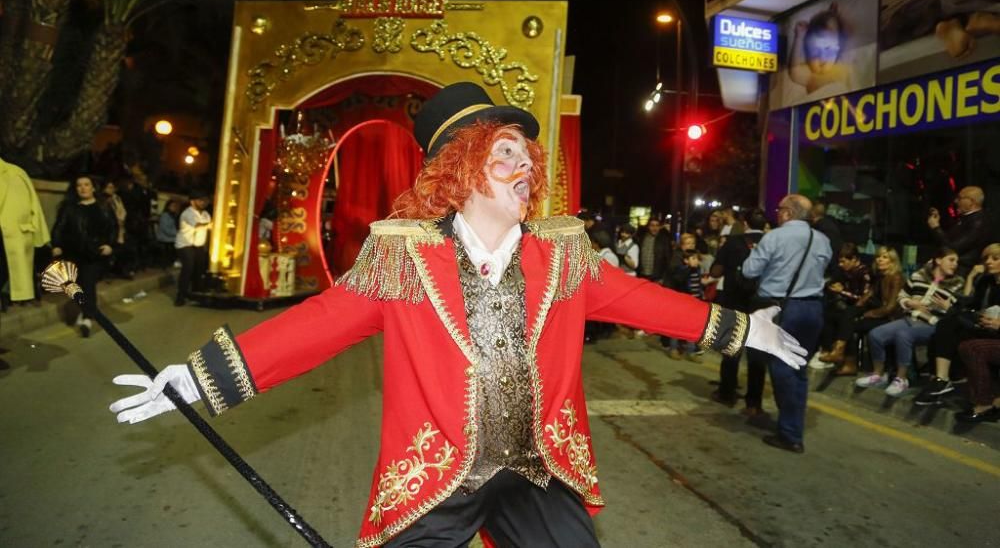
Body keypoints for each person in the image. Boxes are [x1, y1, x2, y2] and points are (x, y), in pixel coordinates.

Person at [107, 82, 806, 548]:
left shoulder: (564, 255)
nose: (526, 167)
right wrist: (196, 380)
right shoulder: (402, 260)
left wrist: (747, 329)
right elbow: (314, 325)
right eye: (506, 154)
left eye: (526, 156)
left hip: (539, 468)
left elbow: (646, 301)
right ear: (463, 170)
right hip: (436, 474)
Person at [741, 194, 833, 453]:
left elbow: (749, 270)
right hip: (813, 308)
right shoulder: (822, 240)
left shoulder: (774, 237)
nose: (777, 213)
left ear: (788, 213)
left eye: (779, 209)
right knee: (798, 370)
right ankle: (792, 425)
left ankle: (790, 433)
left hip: (784, 307)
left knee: (782, 368)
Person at [855, 248, 964, 397]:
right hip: (910, 317)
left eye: (956, 261)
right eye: (951, 260)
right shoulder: (919, 275)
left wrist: (947, 307)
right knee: (876, 334)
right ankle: (879, 374)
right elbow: (902, 295)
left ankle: (901, 379)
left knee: (903, 335)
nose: (955, 264)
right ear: (938, 260)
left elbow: (960, 308)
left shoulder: (957, 283)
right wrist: (909, 302)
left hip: (932, 323)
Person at [915, 243, 1000, 405]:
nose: (989, 262)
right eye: (986, 258)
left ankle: (946, 382)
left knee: (952, 329)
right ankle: (939, 381)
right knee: (944, 327)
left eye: (995, 258)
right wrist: (955, 305)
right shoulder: (986, 281)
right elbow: (972, 304)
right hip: (983, 325)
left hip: (996, 330)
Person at [709, 209, 767, 409]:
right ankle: (753, 403)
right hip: (763, 302)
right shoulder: (772, 242)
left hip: (736, 300)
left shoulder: (734, 242)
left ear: (745, 223)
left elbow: (716, 270)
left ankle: (727, 393)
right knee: (758, 352)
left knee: (732, 347)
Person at [820, 246, 904, 376]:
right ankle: (839, 353)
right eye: (878, 257)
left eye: (884, 257)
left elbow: (890, 307)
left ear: (892, 261)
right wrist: (856, 308)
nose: (879, 260)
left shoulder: (896, 277)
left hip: (888, 318)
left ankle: (846, 359)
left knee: (849, 323)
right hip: (875, 311)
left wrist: (869, 314)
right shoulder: (880, 276)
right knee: (845, 316)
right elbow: (868, 295)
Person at [50, 175, 117, 337]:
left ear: (93, 187)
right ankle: (85, 311)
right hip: (73, 254)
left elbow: (113, 228)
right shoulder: (69, 208)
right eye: (79, 185)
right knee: (78, 286)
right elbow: (59, 227)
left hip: (94, 254)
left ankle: (87, 318)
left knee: (88, 283)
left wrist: (110, 245)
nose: (83, 188)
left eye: (87, 185)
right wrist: (57, 245)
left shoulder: (104, 207)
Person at [0, 157, 50, 309]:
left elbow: (34, 204)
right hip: (12, 235)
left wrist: (40, 235)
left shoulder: (15, 173)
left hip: (13, 235)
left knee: (10, 271)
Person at [927, 186, 990, 274]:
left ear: (971, 202)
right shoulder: (965, 219)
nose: (956, 201)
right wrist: (936, 226)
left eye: (960, 198)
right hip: (949, 267)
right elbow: (947, 240)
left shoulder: (978, 222)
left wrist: (936, 228)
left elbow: (953, 248)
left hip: (960, 271)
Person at [174, 191, 212, 306]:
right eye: (200, 200)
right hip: (185, 244)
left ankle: (196, 293)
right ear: (192, 201)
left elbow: (208, 231)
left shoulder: (206, 214)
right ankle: (181, 296)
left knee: (199, 268)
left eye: (204, 200)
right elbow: (198, 226)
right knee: (188, 268)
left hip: (198, 245)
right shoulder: (187, 213)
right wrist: (211, 225)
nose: (203, 202)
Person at [155, 199, 181, 267]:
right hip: (164, 237)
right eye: (172, 206)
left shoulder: (174, 216)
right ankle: (174, 261)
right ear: (168, 206)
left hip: (172, 236)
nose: (174, 208)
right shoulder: (165, 216)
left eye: (175, 206)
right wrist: (177, 233)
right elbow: (166, 230)